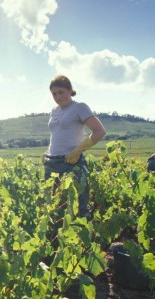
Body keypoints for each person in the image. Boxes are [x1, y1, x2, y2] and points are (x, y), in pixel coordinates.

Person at [43, 75, 106, 218]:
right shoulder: (54, 110)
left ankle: (82, 237)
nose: (58, 97)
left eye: (61, 92)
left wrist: (78, 151)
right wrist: (47, 151)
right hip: (51, 162)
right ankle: (58, 238)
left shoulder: (80, 108)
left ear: (70, 90)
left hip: (70, 162)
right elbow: (57, 134)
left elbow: (99, 131)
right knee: (54, 205)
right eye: (54, 94)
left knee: (78, 204)